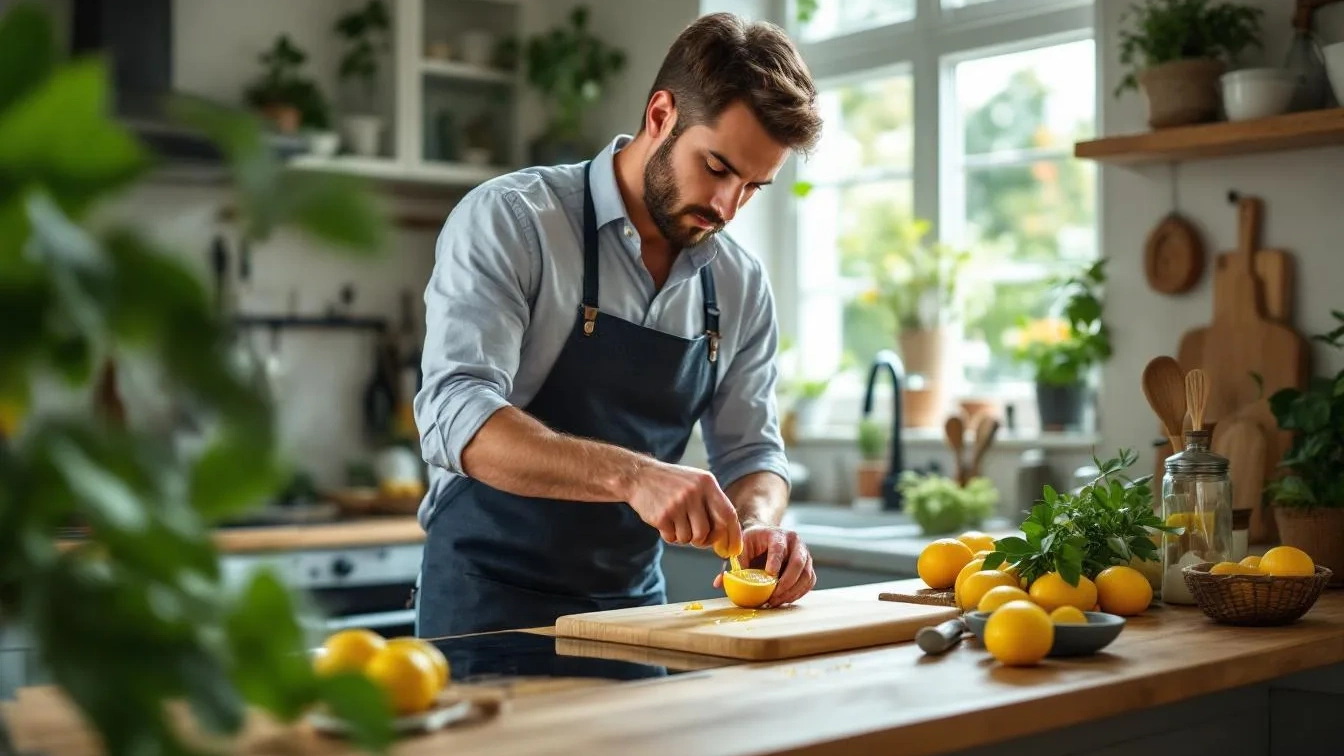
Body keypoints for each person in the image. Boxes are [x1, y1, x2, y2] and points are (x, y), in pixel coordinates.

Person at [413, 11, 823, 638]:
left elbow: (752, 451)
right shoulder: (513, 221)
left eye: (753, 188)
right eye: (715, 168)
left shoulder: (740, 284)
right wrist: (634, 476)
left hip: (637, 614)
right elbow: (456, 413)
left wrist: (759, 519)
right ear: (660, 116)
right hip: (487, 608)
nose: (726, 207)